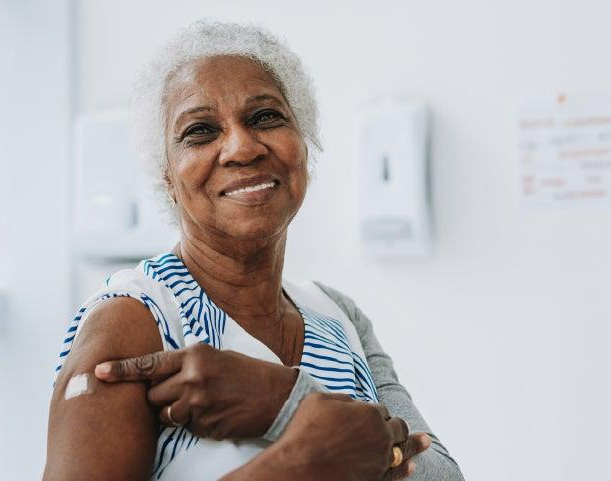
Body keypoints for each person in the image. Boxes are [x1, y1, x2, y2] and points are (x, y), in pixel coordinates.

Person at [43, 20, 464, 481]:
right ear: (167, 177)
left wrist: (283, 399)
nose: (241, 148)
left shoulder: (338, 316)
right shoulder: (136, 321)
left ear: (303, 143)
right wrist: (301, 460)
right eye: (201, 131)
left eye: (265, 117)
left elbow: (442, 475)